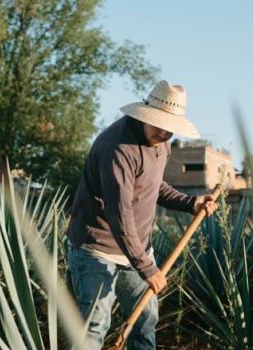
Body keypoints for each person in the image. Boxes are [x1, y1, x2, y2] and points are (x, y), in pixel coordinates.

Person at [65, 80, 218, 349]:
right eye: (159, 124)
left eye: (170, 128)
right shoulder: (118, 148)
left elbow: (153, 185)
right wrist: (147, 267)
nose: (165, 133)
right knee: (95, 327)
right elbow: (119, 212)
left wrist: (190, 202)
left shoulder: (162, 142)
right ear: (145, 115)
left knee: (145, 323)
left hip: (136, 247)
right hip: (97, 248)